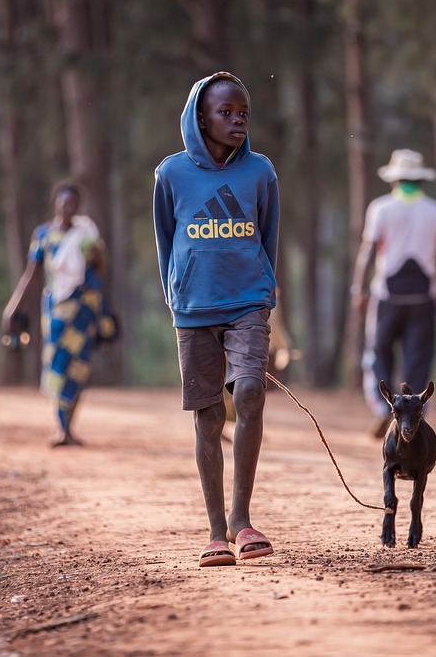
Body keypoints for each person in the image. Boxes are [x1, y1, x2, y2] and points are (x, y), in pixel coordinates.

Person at [153, 71, 280, 569]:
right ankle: (214, 532)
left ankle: (241, 519)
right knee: (208, 416)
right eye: (225, 112)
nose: (237, 120)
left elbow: (268, 235)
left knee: (249, 392)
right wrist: (176, 295)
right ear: (200, 118)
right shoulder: (171, 174)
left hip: (248, 301)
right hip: (193, 307)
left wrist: (263, 290)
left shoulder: (260, 172)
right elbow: (166, 240)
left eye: (243, 112)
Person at [2, 180, 115, 447]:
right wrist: (13, 307)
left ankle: (69, 428)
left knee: (79, 368)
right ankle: (61, 428)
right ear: (56, 204)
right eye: (64, 202)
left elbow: (99, 269)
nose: (68, 207)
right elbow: (31, 275)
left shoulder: (86, 235)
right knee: (58, 365)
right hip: (56, 310)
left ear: (78, 206)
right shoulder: (43, 235)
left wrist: (97, 254)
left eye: (73, 203)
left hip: (83, 309)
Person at [351, 149, 436, 439]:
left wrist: (359, 288)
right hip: (423, 296)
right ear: (421, 179)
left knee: (379, 354)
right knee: (418, 358)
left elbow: (369, 250)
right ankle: (415, 415)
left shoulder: (381, 208)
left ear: (394, 179)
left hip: (387, 296)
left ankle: (383, 408)